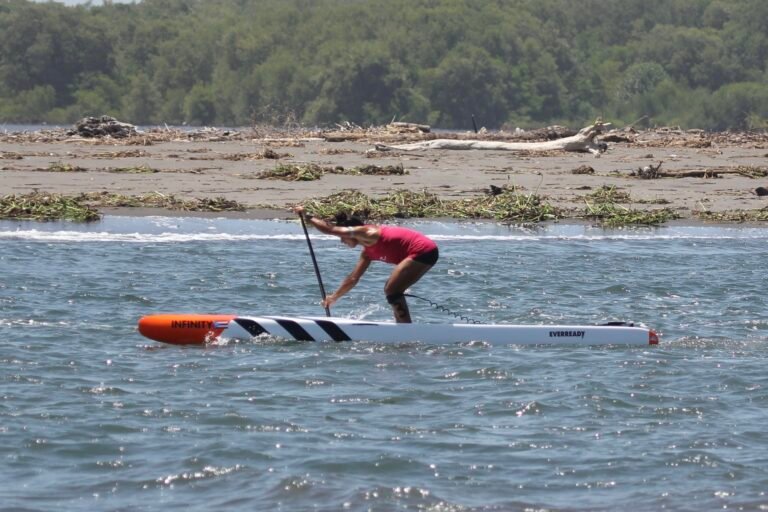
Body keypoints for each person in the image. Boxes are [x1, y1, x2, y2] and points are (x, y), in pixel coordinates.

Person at [293, 206, 439, 323]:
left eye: (343, 237)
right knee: (393, 290)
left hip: (423, 250)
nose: (341, 241)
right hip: (422, 253)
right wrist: (333, 297)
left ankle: (406, 328)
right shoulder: (367, 252)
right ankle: (401, 325)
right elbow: (353, 278)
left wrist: (306, 216)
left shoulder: (367, 232)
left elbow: (330, 229)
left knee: (391, 289)